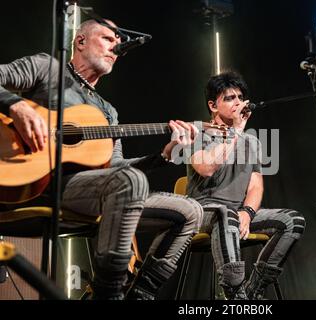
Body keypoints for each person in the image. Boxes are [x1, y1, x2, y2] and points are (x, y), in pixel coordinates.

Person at [0, 19, 203, 300]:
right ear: (80, 41)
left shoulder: (107, 111)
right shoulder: (48, 68)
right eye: (108, 39)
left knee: (191, 210)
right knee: (129, 182)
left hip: (84, 189)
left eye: (118, 43)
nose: (116, 47)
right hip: (34, 182)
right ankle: (110, 295)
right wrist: (16, 105)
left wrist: (163, 156)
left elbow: (116, 169)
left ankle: (135, 295)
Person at [185, 71, 306, 299]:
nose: (238, 103)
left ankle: (250, 292)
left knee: (293, 221)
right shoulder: (196, 132)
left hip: (236, 213)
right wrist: (236, 132)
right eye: (230, 98)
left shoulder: (251, 142)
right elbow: (206, 167)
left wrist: (248, 212)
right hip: (203, 211)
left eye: (240, 97)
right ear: (213, 105)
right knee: (225, 214)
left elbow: (255, 187)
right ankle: (235, 297)